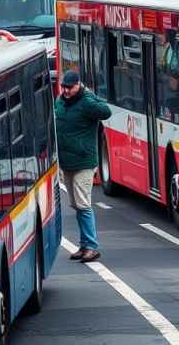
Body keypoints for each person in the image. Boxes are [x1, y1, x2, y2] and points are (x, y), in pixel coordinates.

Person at [54, 70, 111, 262]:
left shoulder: (86, 102)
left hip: (83, 162)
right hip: (67, 162)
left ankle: (91, 247)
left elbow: (106, 112)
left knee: (83, 204)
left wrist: (89, 96)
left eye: (70, 87)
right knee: (75, 205)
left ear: (78, 85)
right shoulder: (60, 101)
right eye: (64, 87)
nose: (66, 91)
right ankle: (84, 244)